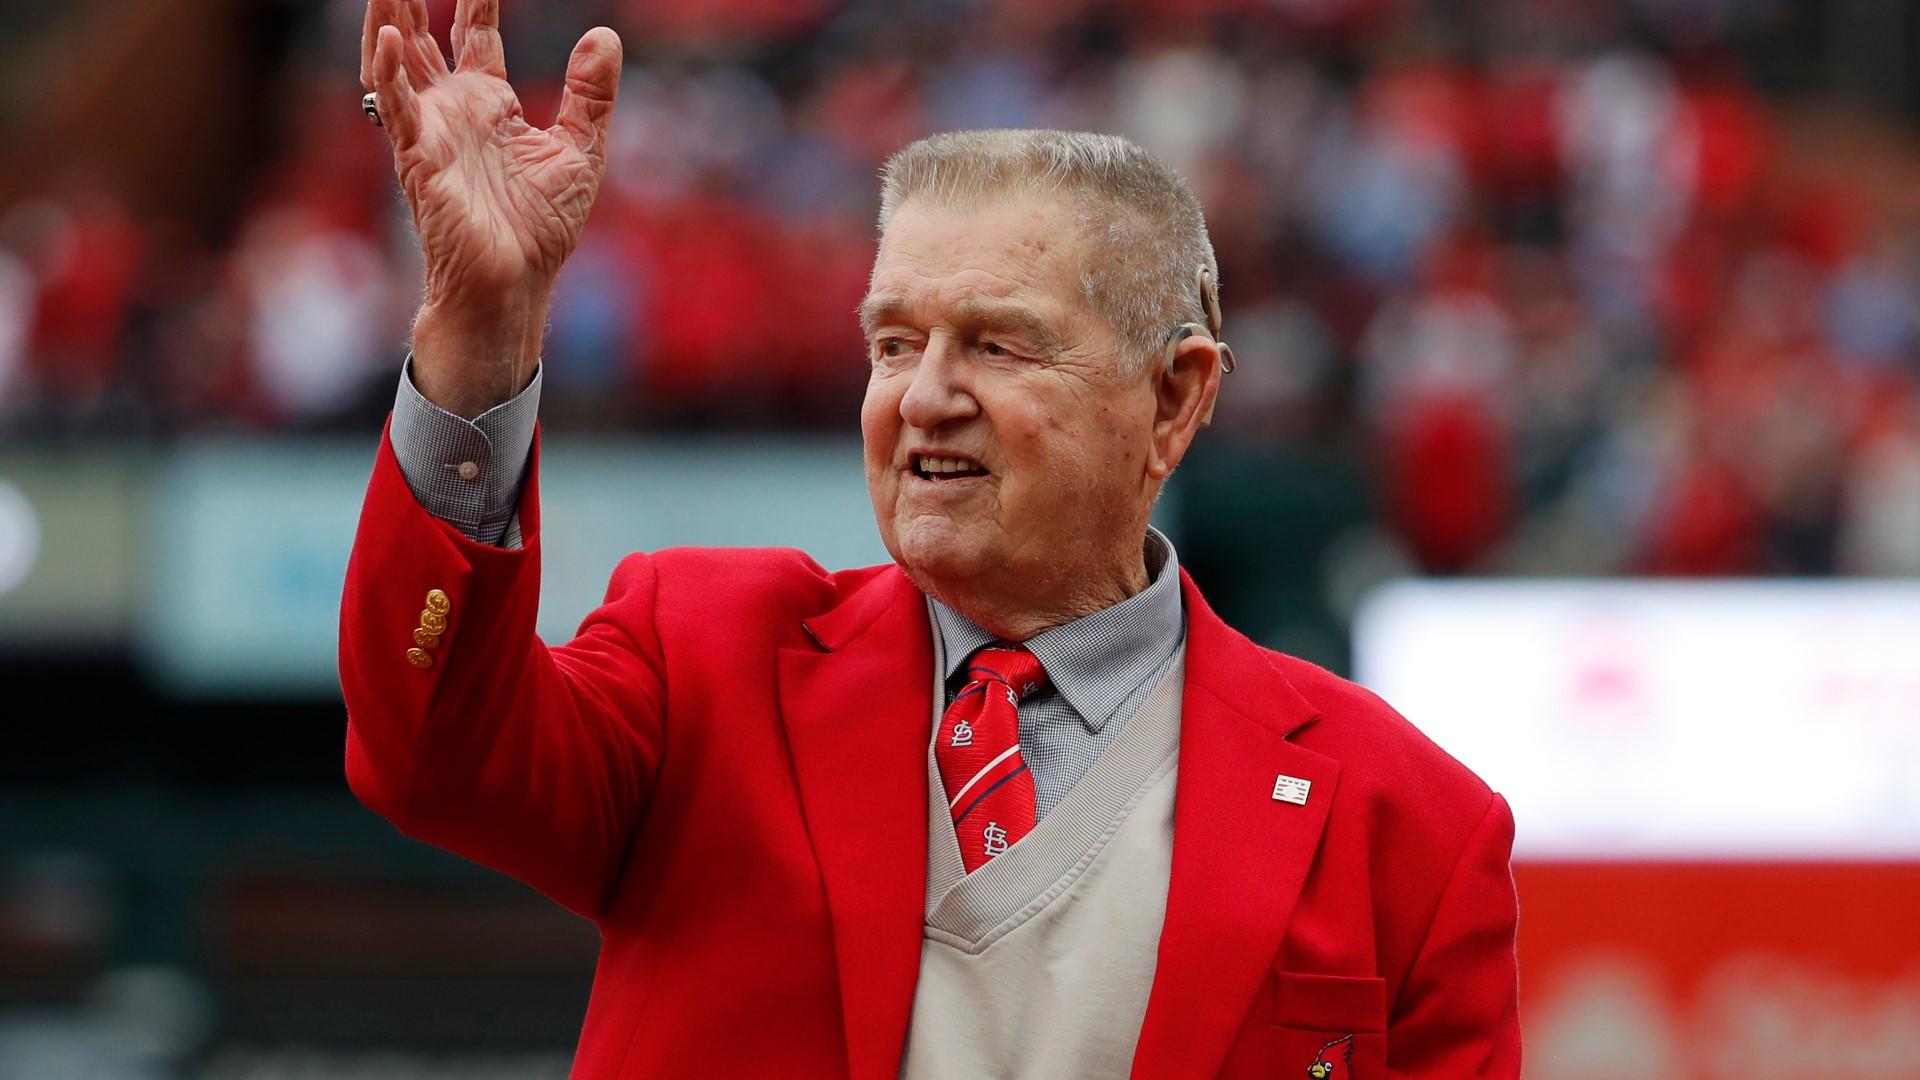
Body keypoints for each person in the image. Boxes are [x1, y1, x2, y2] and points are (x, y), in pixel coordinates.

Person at [341, 1, 1522, 1077]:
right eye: (894, 344)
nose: (924, 396)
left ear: (1175, 400)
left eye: (998, 345)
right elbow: (432, 752)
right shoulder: (702, 658)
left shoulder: (1409, 825)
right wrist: (481, 330)